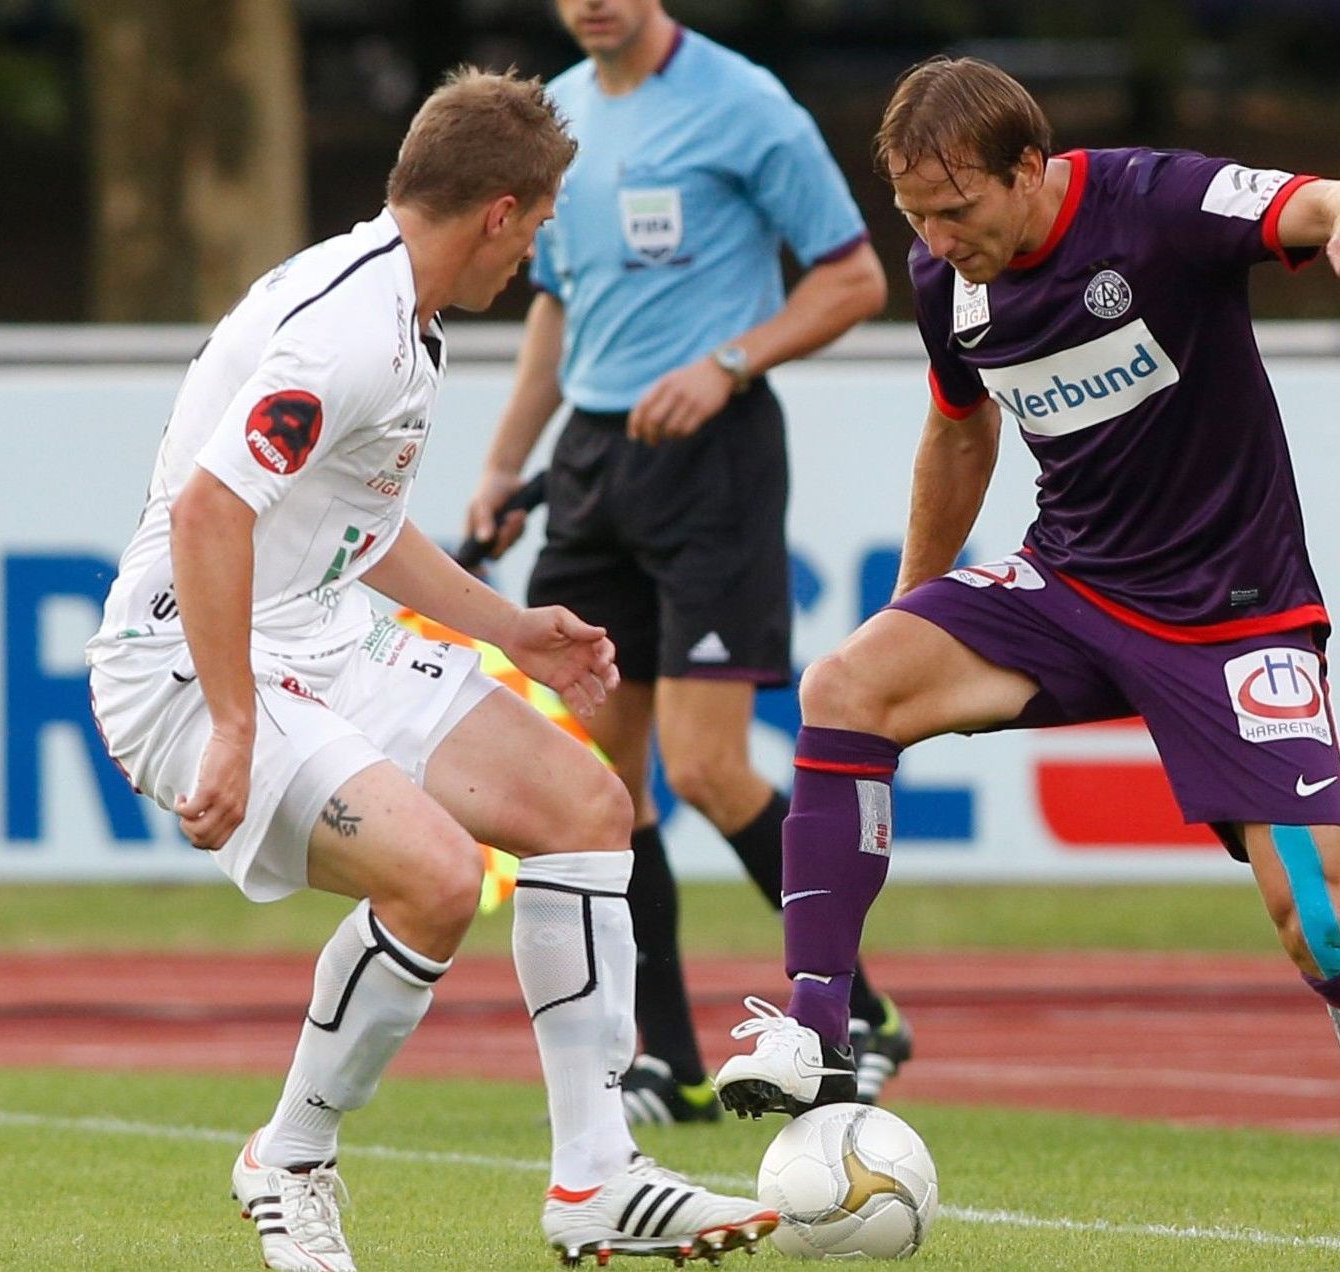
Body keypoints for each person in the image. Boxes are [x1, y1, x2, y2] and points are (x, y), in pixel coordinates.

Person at [712, 56, 1340, 1264]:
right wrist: (912, 609)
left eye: (957, 210)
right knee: (847, 684)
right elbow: (957, 428)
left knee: (1324, 932)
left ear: (1029, 171)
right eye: (914, 216)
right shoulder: (949, 278)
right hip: (1071, 589)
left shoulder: (1154, 204)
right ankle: (818, 1025)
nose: (935, 239)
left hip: (1234, 617)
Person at [86, 66, 776, 1271]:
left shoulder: (409, 312)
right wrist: (238, 727)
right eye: (542, 223)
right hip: (189, 663)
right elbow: (208, 516)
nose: (535, 255)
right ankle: (288, 1160)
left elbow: (356, 526)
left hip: (317, 631)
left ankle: (596, 1178)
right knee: (437, 879)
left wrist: (508, 631)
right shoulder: (350, 329)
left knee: (586, 810)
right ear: (501, 211)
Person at [466, 0, 910, 1127]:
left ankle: (856, 1007)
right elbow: (557, 309)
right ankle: (669, 1058)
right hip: (593, 464)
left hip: (715, 456)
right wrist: (506, 461)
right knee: (604, 793)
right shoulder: (554, 114)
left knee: (706, 767)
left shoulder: (745, 103)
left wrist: (727, 362)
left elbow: (854, 279)